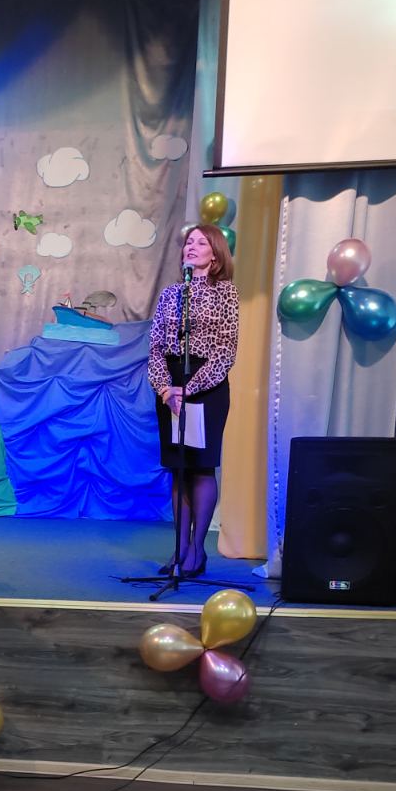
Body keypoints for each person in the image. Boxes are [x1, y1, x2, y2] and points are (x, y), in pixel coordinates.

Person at [147, 223, 240, 576]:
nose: (192, 246)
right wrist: (165, 388)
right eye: (189, 242)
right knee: (179, 468)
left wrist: (191, 388)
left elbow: (226, 351)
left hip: (206, 387)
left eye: (201, 243)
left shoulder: (226, 293)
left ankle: (197, 551)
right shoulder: (171, 293)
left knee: (200, 467)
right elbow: (155, 347)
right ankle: (180, 548)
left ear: (215, 254)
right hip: (170, 387)